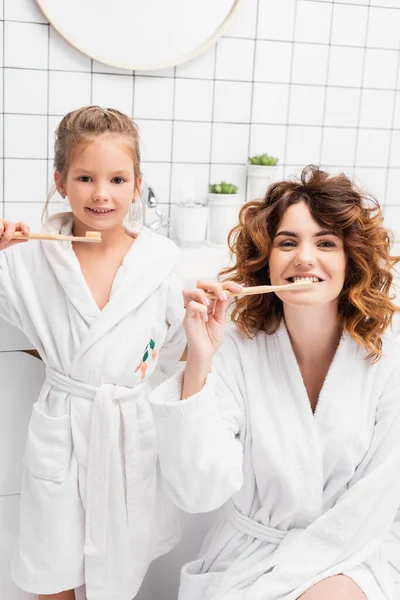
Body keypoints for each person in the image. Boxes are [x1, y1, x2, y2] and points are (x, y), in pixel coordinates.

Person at [151, 166, 400, 600]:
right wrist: (200, 361)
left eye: (326, 243)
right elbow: (196, 491)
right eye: (288, 243)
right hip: (248, 554)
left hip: (351, 550)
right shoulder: (236, 349)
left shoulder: (386, 357)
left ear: (350, 261)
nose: (305, 257)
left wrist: (293, 581)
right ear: (266, 259)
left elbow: (376, 500)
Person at [0, 106, 186, 600]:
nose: (101, 193)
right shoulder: (31, 257)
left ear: (137, 184)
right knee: (51, 566)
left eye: (117, 178)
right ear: (60, 181)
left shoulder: (162, 261)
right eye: (85, 177)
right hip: (63, 427)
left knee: (118, 569)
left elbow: (175, 351)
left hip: (125, 430)